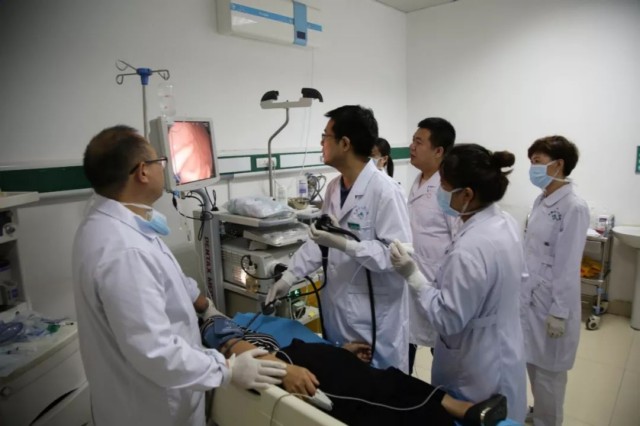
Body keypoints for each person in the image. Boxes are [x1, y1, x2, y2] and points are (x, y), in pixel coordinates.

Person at [72, 125, 287, 426]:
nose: (164, 168)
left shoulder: (110, 223)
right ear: (142, 172)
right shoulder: (125, 250)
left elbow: (166, 276)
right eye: (160, 161)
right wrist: (227, 370)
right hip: (151, 411)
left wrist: (205, 306)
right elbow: (155, 352)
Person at [265, 105, 413, 372]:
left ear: (345, 143)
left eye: (325, 136)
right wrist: (289, 277)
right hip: (338, 311)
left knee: (377, 387)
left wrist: (346, 245)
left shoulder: (386, 191)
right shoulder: (334, 188)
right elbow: (318, 241)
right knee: (340, 382)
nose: (321, 142)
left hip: (374, 320)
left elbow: (396, 257)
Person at [389, 144, 527, 422]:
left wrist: (412, 275)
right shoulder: (504, 222)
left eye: (444, 186)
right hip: (503, 343)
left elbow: (448, 319)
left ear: (467, 194)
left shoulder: (470, 248)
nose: (439, 193)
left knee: (475, 416)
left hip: (475, 366)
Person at [200, 309, 510, 426]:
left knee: (386, 378)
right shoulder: (211, 329)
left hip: (306, 353)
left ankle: (465, 410)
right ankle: (460, 413)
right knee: (373, 395)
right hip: (289, 363)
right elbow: (233, 348)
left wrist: (339, 350)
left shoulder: (235, 320)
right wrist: (285, 370)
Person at [520, 136, 590, 426]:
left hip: (552, 301)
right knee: (533, 362)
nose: (532, 168)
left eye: (537, 161)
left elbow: (568, 264)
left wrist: (559, 312)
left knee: (550, 373)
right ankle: (539, 412)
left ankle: (548, 421)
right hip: (532, 298)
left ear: (558, 164)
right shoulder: (542, 199)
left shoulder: (574, 207)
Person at [406, 117, 458, 371]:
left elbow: (459, 239)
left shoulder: (448, 188)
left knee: (445, 359)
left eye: (419, 142)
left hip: (439, 286)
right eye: (412, 141)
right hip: (413, 279)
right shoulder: (418, 181)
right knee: (407, 344)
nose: (412, 147)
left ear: (438, 151)